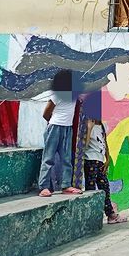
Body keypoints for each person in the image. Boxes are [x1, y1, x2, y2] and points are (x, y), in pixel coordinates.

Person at [38, 69, 83, 197]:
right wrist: (52, 123)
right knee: (48, 158)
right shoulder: (56, 94)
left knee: (66, 159)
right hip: (55, 127)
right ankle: (43, 187)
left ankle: (66, 185)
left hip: (67, 128)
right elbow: (46, 113)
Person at [84, 117, 127, 224]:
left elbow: (105, 142)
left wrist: (107, 159)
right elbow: (85, 144)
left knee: (105, 188)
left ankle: (111, 215)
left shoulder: (102, 126)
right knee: (91, 188)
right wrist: (89, 128)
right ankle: (91, 217)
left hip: (100, 161)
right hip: (90, 160)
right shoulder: (88, 124)